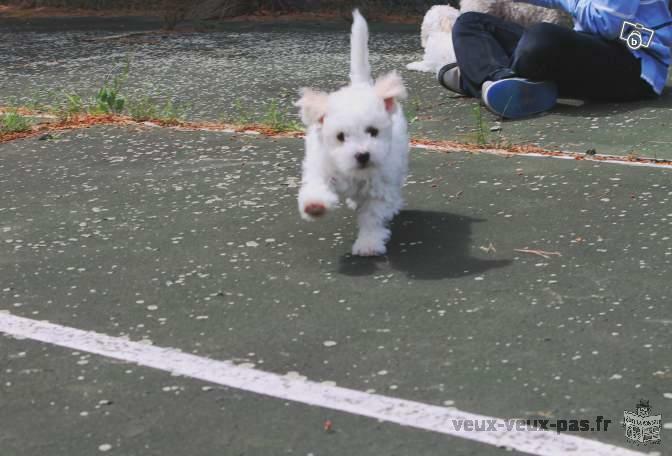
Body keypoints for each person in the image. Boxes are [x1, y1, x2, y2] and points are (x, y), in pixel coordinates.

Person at [438, 0, 672, 119]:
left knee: (542, 37)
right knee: (470, 22)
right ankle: (498, 79)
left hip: (636, 63)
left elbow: (606, 24)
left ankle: (474, 78)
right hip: (589, 49)